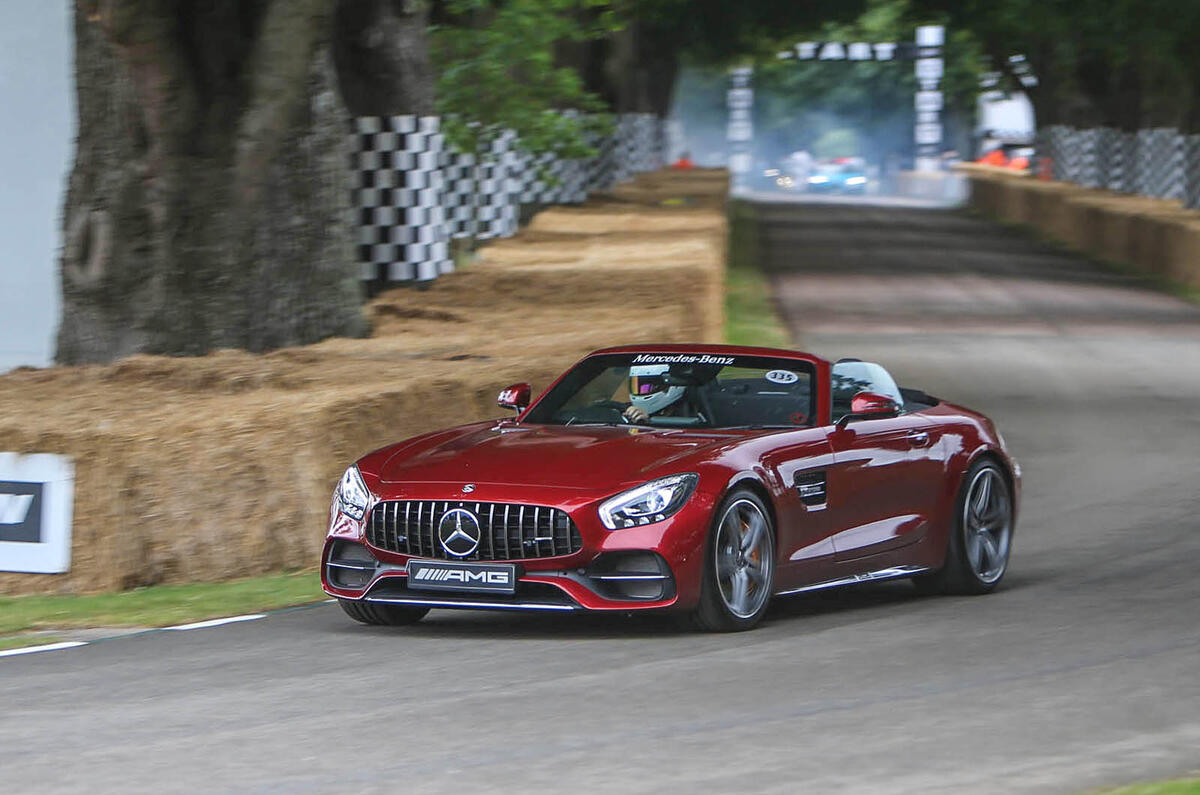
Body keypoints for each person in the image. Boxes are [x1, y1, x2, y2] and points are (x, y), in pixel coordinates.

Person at [622, 364, 687, 423]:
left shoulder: (688, 414)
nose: (643, 390)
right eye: (636, 385)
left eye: (647, 387)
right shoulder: (627, 410)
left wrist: (648, 422)